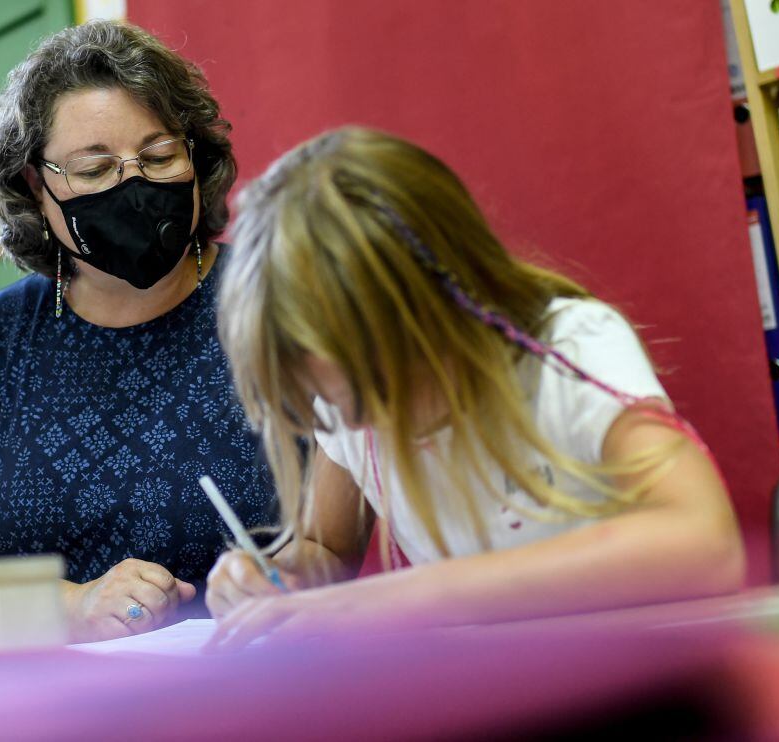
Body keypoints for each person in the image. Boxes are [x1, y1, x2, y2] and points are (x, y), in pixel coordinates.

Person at [204, 127, 746, 649]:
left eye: (365, 394)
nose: (347, 420)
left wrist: (420, 594)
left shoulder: (568, 351)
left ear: (424, 314)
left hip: (636, 671)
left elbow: (705, 542)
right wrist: (274, 574)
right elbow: (325, 546)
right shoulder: (341, 400)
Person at [0, 20, 276, 642]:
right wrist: (71, 605)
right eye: (94, 170)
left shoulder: (278, 304)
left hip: (259, 682)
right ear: (36, 188)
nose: (134, 186)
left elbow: (340, 533)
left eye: (158, 157)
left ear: (196, 157)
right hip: (48, 698)